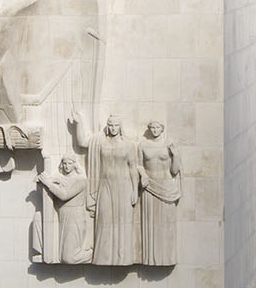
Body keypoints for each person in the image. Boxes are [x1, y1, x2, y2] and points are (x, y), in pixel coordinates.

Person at [73, 113, 142, 266]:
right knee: (104, 220)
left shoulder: (128, 145)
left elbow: (132, 168)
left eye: (115, 125)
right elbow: (82, 142)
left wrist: (135, 190)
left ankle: (122, 257)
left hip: (123, 187)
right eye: (110, 124)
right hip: (105, 186)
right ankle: (103, 257)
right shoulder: (99, 142)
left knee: (122, 221)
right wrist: (78, 123)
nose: (112, 128)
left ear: (120, 127)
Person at [137, 119, 181, 265]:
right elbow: (138, 165)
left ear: (162, 129)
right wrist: (143, 175)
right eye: (152, 127)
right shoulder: (142, 145)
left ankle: (167, 258)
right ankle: (151, 258)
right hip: (149, 187)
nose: (155, 130)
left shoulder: (169, 145)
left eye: (157, 128)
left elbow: (174, 170)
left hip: (167, 187)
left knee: (166, 224)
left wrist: (176, 156)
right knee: (150, 223)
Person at [34, 155, 92, 264]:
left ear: (75, 164)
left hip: (75, 219)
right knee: (62, 256)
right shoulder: (61, 179)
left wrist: (48, 183)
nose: (66, 166)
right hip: (64, 217)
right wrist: (41, 179)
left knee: (68, 258)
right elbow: (51, 181)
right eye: (64, 163)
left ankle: (91, 254)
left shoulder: (81, 181)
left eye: (70, 163)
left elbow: (64, 195)